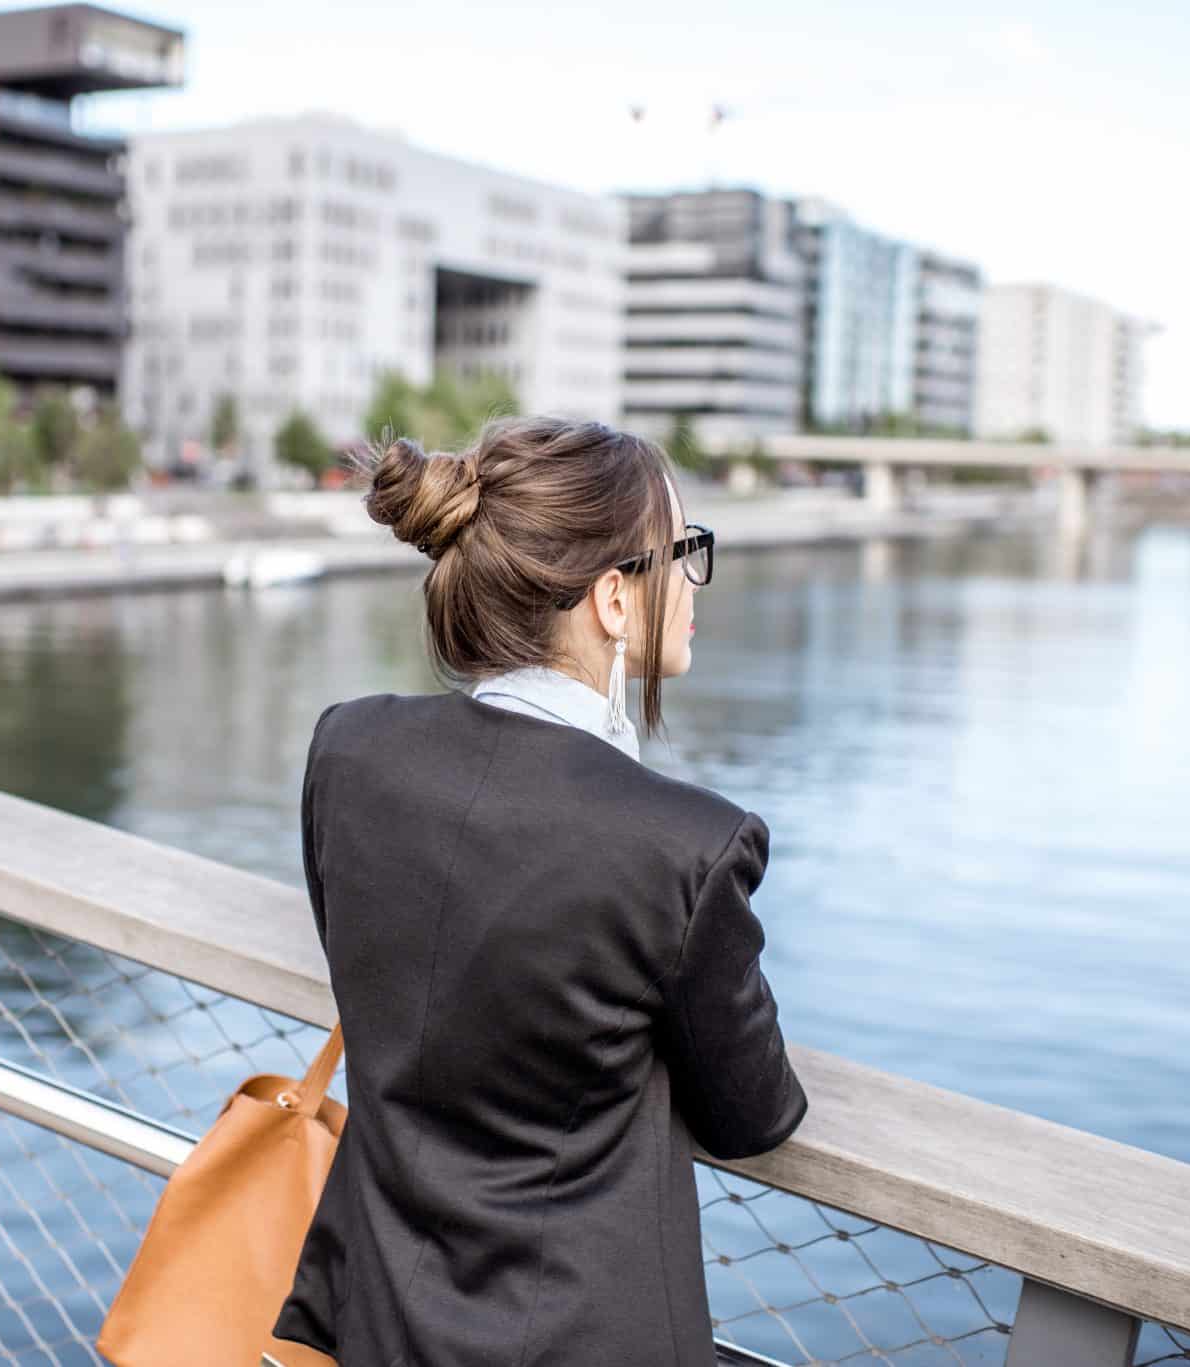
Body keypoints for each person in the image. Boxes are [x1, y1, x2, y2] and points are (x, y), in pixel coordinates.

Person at [273, 416, 808, 1365]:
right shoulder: (685, 845)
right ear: (611, 597)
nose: (692, 581)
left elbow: (392, 975)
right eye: (683, 552)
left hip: (379, 1319)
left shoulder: (348, 749)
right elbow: (752, 1114)